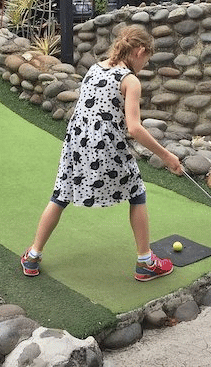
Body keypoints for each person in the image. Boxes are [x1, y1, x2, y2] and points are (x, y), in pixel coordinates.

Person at [21, 25, 184, 281]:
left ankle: (32, 256)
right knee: (137, 194)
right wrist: (167, 156)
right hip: (106, 146)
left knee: (61, 195)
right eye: (146, 59)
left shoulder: (96, 68)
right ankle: (145, 262)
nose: (144, 64)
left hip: (77, 143)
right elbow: (134, 128)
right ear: (140, 51)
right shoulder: (130, 81)